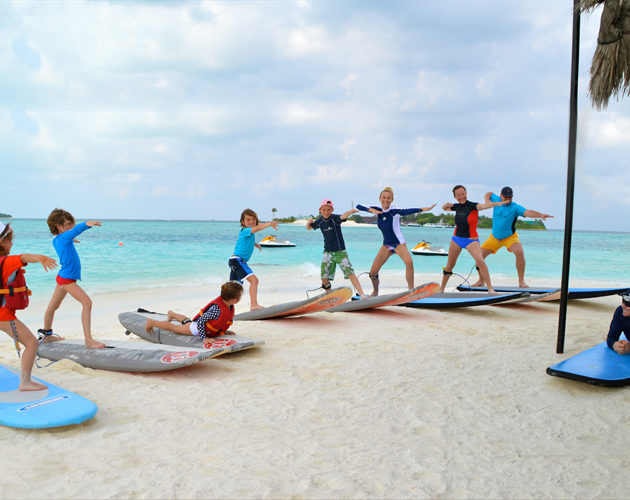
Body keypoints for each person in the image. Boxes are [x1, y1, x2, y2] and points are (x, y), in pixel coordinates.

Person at [0, 222, 58, 391]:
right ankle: (25, 382)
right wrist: (41, 258)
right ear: (2, 242)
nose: (12, 243)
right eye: (10, 240)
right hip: (3, 316)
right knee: (32, 343)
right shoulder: (6, 262)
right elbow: (24, 257)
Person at [41, 209, 106, 349]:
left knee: (53, 306)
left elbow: (68, 236)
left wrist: (71, 238)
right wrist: (86, 224)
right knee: (87, 303)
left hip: (63, 277)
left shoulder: (58, 239)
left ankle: (46, 335)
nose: (71, 227)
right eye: (68, 224)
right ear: (58, 226)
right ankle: (88, 340)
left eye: (72, 224)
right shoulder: (64, 238)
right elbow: (74, 231)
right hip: (67, 279)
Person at [356, 187, 436, 296]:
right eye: (384, 197)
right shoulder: (377, 210)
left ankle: (411, 291)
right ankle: (375, 291)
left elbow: (408, 210)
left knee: (409, 262)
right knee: (373, 273)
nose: (386, 200)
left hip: (398, 244)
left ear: (392, 200)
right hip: (386, 245)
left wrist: (422, 209)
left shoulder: (394, 211)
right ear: (380, 198)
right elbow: (358, 206)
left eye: (389, 198)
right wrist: (371, 210)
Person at [471, 186, 553, 288]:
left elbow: (527, 212)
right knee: (479, 257)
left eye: (510, 197)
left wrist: (540, 215)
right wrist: (487, 201)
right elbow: (488, 193)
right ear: (501, 196)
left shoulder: (515, 207)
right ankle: (481, 280)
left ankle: (521, 281)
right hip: (494, 238)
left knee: (519, 252)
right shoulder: (496, 200)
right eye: (505, 197)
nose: (508, 199)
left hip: (510, 238)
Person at [440, 185, 508, 293]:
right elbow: (444, 208)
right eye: (458, 195)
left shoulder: (473, 206)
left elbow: (485, 206)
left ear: (466, 193)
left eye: (463, 193)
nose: (461, 196)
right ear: (455, 197)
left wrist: (498, 203)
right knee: (449, 266)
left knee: (480, 261)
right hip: (456, 239)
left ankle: (490, 288)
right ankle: (441, 290)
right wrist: (445, 205)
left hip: (471, 240)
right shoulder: (456, 206)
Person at [306, 199, 366, 298]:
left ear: (332, 210)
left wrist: (350, 212)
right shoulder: (320, 221)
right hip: (327, 252)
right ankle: (329, 296)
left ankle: (362, 294)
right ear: (320, 210)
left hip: (340, 252)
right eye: (324, 209)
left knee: (350, 273)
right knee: (324, 277)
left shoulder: (335, 219)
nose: (326, 212)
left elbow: (343, 216)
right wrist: (308, 222)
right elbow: (309, 228)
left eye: (329, 209)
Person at [145, 282, 243, 339]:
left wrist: (224, 331)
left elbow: (219, 322)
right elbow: (201, 321)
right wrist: (204, 339)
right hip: (195, 329)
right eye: (240, 296)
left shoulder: (228, 306)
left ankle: (172, 314)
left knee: (188, 322)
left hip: (198, 325)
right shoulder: (217, 310)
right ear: (235, 300)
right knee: (174, 328)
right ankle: (151, 322)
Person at [229, 209, 279, 310]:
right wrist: (269, 224)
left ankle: (225, 306)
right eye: (248, 220)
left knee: (234, 288)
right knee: (254, 281)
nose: (251, 221)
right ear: (243, 222)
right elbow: (256, 229)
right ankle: (254, 305)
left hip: (234, 261)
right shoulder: (245, 230)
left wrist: (255, 244)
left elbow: (246, 242)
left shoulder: (248, 233)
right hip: (238, 261)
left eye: (253, 219)